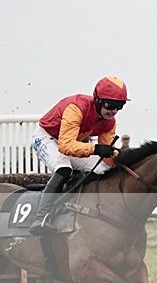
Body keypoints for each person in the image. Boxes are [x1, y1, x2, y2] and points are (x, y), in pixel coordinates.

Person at [29, 76, 129, 235]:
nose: (114, 111)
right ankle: (40, 218)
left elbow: (107, 156)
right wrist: (96, 149)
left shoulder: (109, 122)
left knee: (103, 169)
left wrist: (122, 157)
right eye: (110, 105)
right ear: (97, 100)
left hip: (72, 142)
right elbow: (65, 146)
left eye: (119, 106)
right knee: (64, 168)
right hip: (47, 138)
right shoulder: (76, 107)